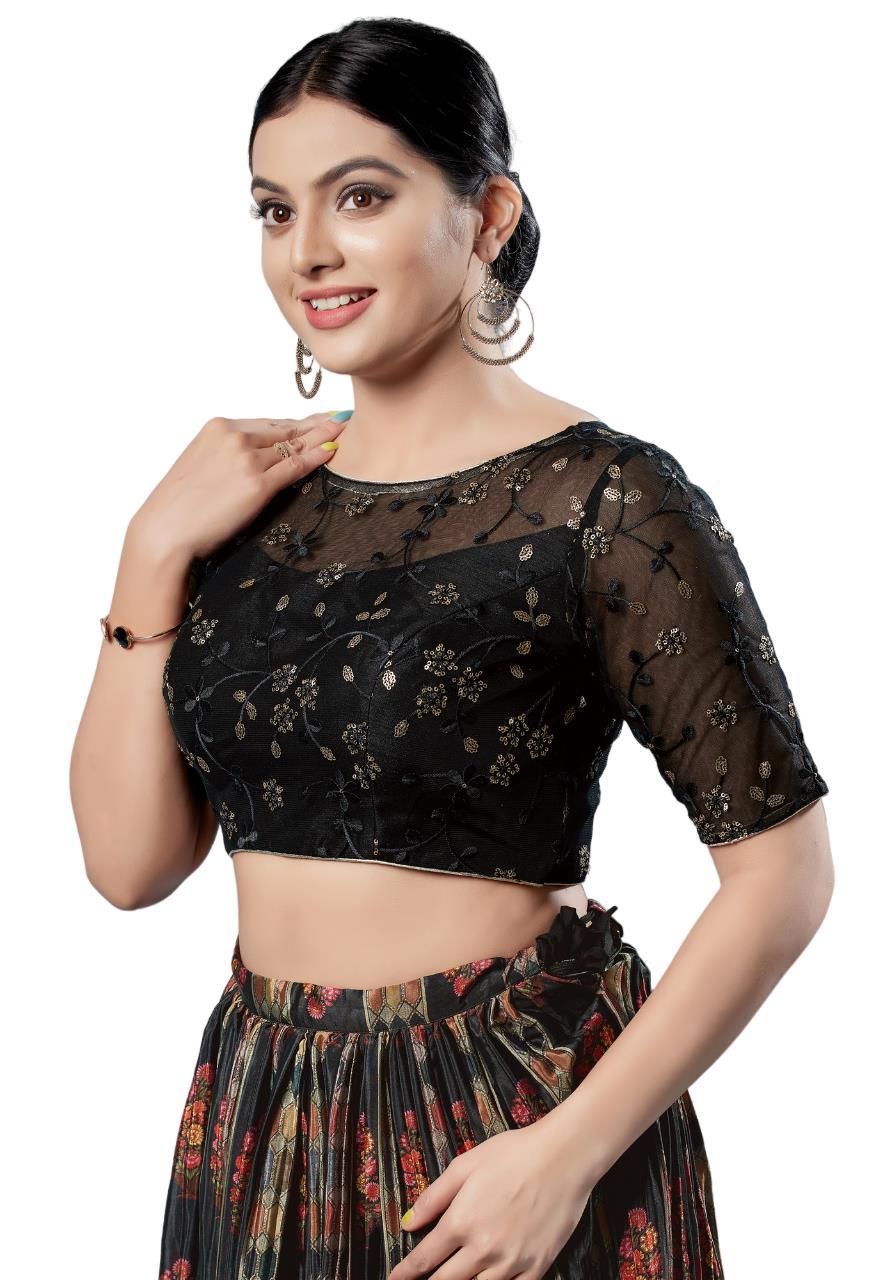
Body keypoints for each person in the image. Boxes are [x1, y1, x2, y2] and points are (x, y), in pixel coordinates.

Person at [70, 17, 833, 1280]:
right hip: (263, 1099)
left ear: (487, 215)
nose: (307, 251)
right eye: (273, 210)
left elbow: (782, 874)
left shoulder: (605, 499)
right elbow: (127, 864)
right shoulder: (237, 511)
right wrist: (147, 552)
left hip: (508, 1107)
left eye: (360, 197)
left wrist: (568, 1151)